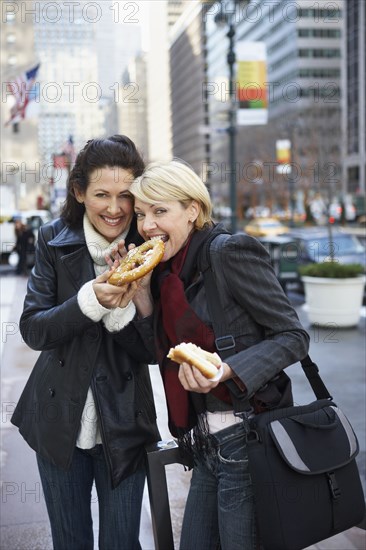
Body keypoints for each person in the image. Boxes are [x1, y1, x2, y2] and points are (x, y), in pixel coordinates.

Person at [128, 160, 310, 550]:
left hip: (247, 438)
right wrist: (141, 293)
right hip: (204, 443)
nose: (147, 226)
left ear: (193, 210)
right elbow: (154, 352)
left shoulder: (229, 252)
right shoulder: (165, 273)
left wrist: (228, 370)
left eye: (160, 211)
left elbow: (293, 335)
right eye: (142, 214)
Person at [11, 135, 160, 550]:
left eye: (125, 195)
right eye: (101, 195)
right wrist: (91, 300)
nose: (115, 209)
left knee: (121, 542)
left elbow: (153, 351)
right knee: (70, 541)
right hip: (58, 422)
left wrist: (130, 306)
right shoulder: (52, 240)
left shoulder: (152, 248)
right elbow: (34, 329)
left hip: (126, 425)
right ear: (79, 192)